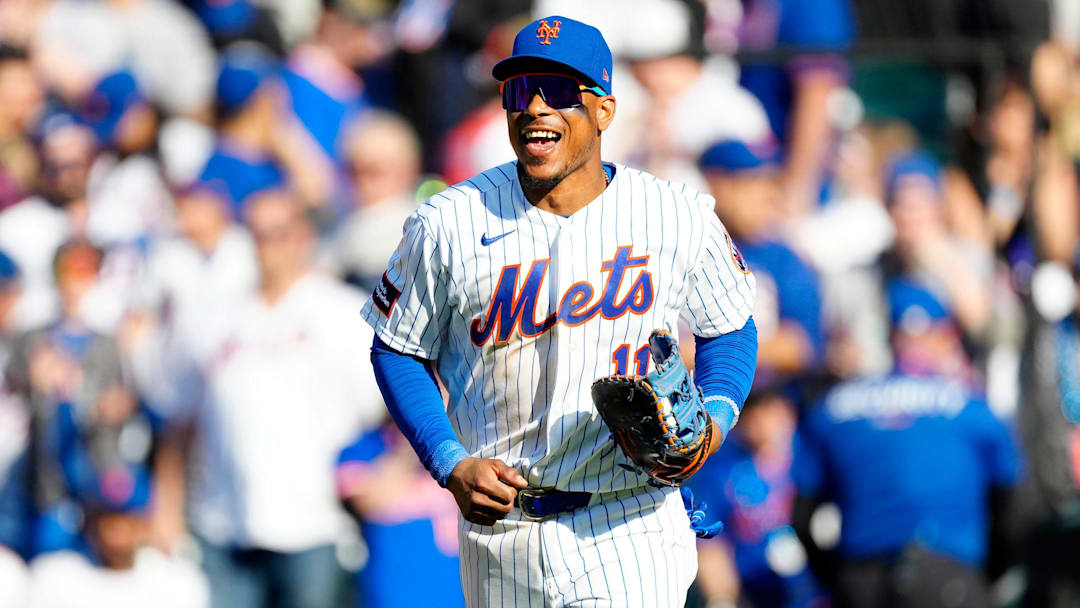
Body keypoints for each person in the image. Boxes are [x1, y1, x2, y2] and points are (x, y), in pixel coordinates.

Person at [361, 16, 758, 607]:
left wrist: (716, 418)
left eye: (561, 91)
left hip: (629, 520)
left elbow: (729, 328)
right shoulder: (447, 222)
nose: (537, 107)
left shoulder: (675, 213)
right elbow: (397, 346)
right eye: (521, 90)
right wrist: (448, 461)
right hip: (501, 535)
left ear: (604, 110)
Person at [150, 189, 385, 608]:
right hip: (222, 522)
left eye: (277, 233)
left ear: (303, 236)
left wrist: (391, 474)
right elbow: (179, 419)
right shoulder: (210, 317)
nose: (266, 246)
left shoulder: (344, 315)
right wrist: (166, 508)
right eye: (255, 233)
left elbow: (401, 406)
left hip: (317, 524)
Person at [792, 280, 1021, 608]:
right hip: (950, 576)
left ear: (890, 333)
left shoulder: (832, 408)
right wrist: (989, 574)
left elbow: (800, 516)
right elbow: (1011, 507)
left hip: (863, 578)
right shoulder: (973, 408)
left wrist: (837, 576)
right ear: (944, 335)